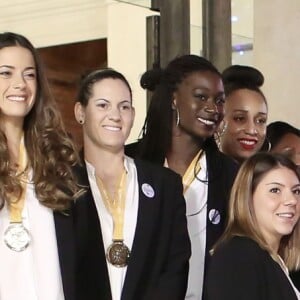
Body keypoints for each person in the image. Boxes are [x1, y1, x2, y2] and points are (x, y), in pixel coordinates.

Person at [125, 54, 238, 299]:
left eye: (219, 101)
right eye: (201, 97)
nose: (213, 108)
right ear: (174, 99)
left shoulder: (230, 174)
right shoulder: (131, 162)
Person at [74, 68, 191, 300]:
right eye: (103, 105)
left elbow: (175, 268)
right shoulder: (59, 183)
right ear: (80, 112)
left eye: (124, 106)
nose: (115, 115)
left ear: (133, 114)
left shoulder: (164, 185)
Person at [0, 32, 89, 300]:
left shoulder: (59, 161)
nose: (20, 84)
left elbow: (83, 259)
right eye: (6, 73)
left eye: (29, 75)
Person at [204, 152, 300, 300]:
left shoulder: (273, 260)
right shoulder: (238, 255)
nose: (292, 200)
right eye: (275, 190)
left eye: (296, 191)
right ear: (247, 197)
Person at [216, 65, 268, 163]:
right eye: (240, 118)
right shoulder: (197, 174)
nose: (252, 130)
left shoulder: (271, 176)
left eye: (260, 120)